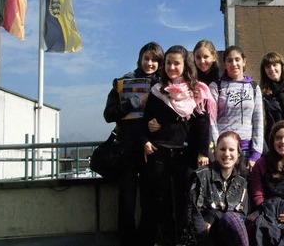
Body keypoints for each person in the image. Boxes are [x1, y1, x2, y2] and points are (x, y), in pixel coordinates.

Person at [139, 45, 217, 246]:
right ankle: (166, 241)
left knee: (186, 202)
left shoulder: (197, 91)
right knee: (161, 202)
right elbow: (145, 120)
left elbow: (202, 123)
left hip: (186, 155)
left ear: (185, 65)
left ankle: (186, 241)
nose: (172, 67)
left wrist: (203, 151)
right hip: (160, 154)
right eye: (168, 63)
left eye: (176, 63)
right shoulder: (157, 91)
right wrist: (146, 140)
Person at [102, 41, 163, 246]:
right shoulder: (123, 82)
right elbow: (109, 115)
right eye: (146, 58)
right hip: (127, 151)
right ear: (140, 59)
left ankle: (147, 240)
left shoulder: (165, 84)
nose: (150, 63)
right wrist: (135, 102)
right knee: (127, 202)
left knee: (151, 201)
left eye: (155, 59)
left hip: (152, 151)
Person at [186, 131, 248, 246]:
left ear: (238, 153)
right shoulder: (201, 175)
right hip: (203, 237)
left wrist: (213, 215)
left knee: (232, 217)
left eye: (231, 150)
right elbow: (193, 214)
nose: (227, 154)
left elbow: (241, 217)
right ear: (215, 152)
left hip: (229, 238)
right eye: (222, 149)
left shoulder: (241, 182)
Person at [211, 45, 263, 174]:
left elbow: (258, 121)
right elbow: (211, 121)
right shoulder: (216, 86)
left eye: (237, 59)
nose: (234, 64)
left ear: (244, 61)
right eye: (229, 60)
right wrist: (217, 149)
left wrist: (256, 153)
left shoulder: (254, 87)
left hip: (246, 150)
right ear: (224, 64)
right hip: (223, 151)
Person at [260, 51, 284, 144]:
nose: (272, 69)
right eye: (268, 67)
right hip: (272, 139)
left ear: (281, 66)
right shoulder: (262, 93)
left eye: (275, 65)